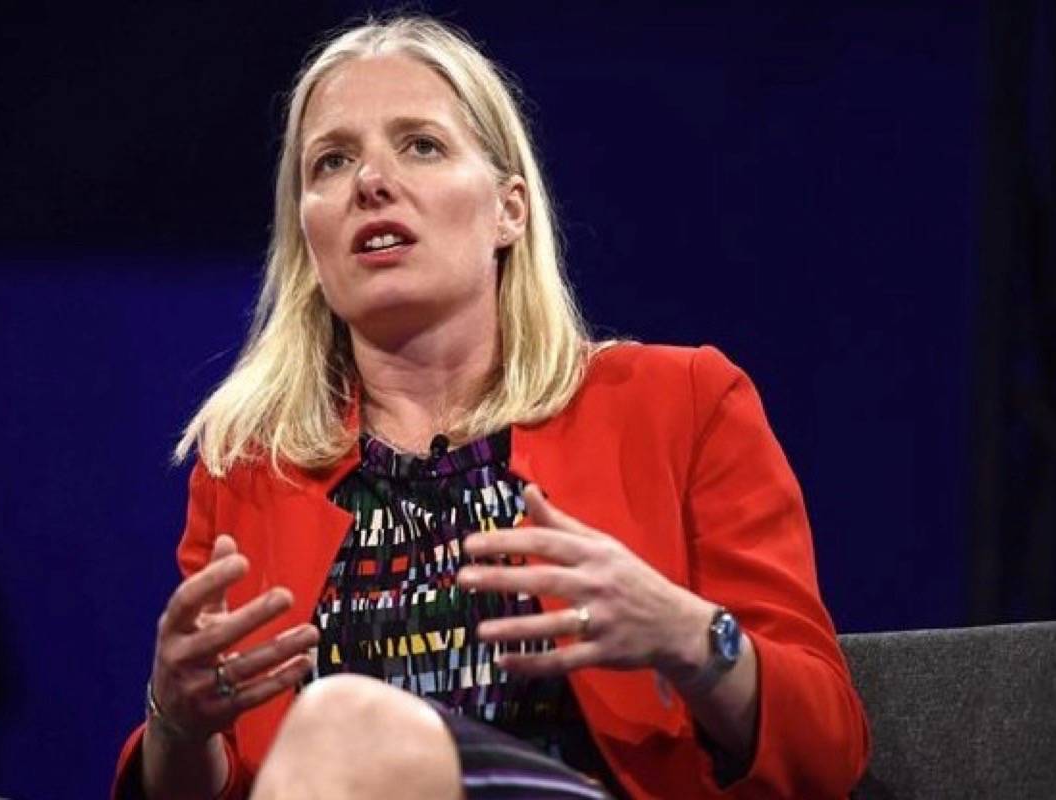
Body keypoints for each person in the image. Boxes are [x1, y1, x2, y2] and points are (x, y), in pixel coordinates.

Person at [112, 15, 869, 800]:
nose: (371, 181)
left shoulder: (683, 404)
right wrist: (176, 723)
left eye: (421, 145)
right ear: (308, 237)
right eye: (331, 161)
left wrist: (685, 634)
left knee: (344, 724)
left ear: (510, 210)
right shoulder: (247, 471)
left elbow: (827, 749)